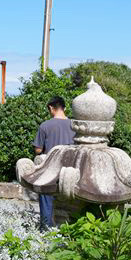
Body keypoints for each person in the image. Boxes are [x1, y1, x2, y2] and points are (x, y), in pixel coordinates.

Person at [33, 96, 75, 230]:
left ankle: (46, 230)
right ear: (64, 108)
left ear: (51, 108)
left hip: (50, 170)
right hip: (70, 171)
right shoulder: (75, 125)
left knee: (45, 196)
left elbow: (38, 150)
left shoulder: (45, 125)